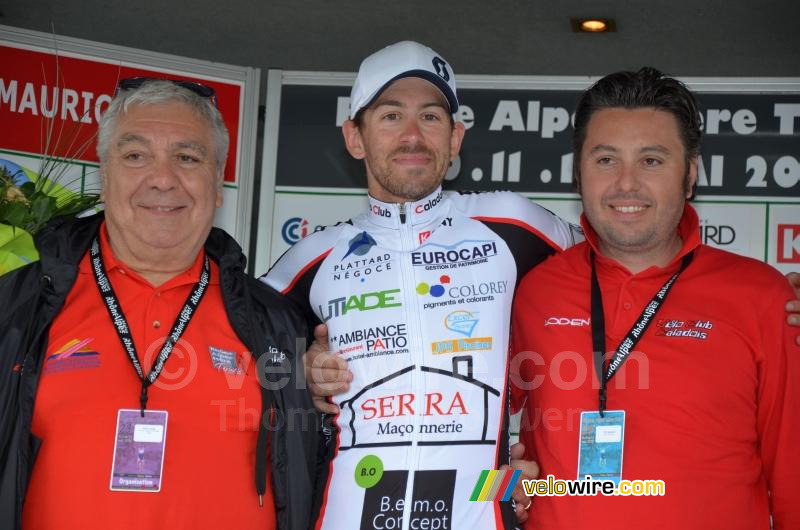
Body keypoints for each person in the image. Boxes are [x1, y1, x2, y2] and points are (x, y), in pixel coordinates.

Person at [262, 41, 580, 529]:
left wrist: (538, 480)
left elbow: (618, 289)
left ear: (455, 138)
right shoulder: (314, 257)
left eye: (430, 118)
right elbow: (239, 354)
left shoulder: (512, 224)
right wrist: (299, 372)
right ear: (355, 137)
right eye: (391, 116)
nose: (413, 135)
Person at [0, 79, 316, 529]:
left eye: (187, 158)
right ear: (104, 176)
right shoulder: (16, 308)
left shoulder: (278, 323)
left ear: (219, 182)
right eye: (136, 156)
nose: (163, 179)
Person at [510, 67, 800, 529]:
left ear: (690, 175)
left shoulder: (763, 297)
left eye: (651, 160)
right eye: (605, 160)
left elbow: (793, 484)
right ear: (577, 174)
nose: (627, 184)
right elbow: (473, 442)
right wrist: (508, 491)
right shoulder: (533, 292)